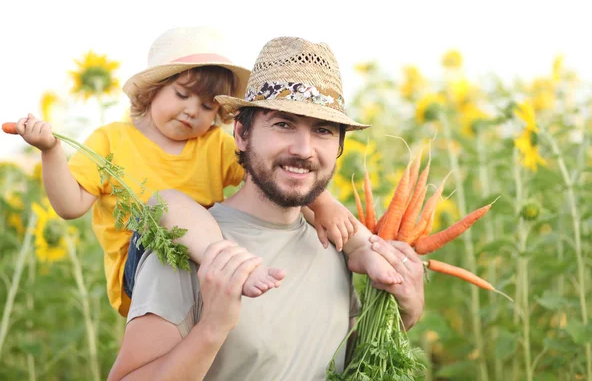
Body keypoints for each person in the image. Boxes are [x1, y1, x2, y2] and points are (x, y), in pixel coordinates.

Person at [108, 36, 425, 380]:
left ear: (338, 147)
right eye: (283, 124)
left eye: (322, 130)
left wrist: (404, 314)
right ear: (242, 134)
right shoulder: (186, 246)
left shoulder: (335, 246)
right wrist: (212, 328)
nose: (303, 149)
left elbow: (343, 365)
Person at [13, 26, 367, 317]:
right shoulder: (112, 140)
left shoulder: (213, 143)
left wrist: (324, 204)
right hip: (147, 263)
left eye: (206, 106)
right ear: (152, 91)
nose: (191, 112)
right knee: (168, 203)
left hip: (202, 263)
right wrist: (50, 151)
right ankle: (236, 266)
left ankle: (367, 253)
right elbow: (70, 205)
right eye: (182, 94)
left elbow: (273, 175)